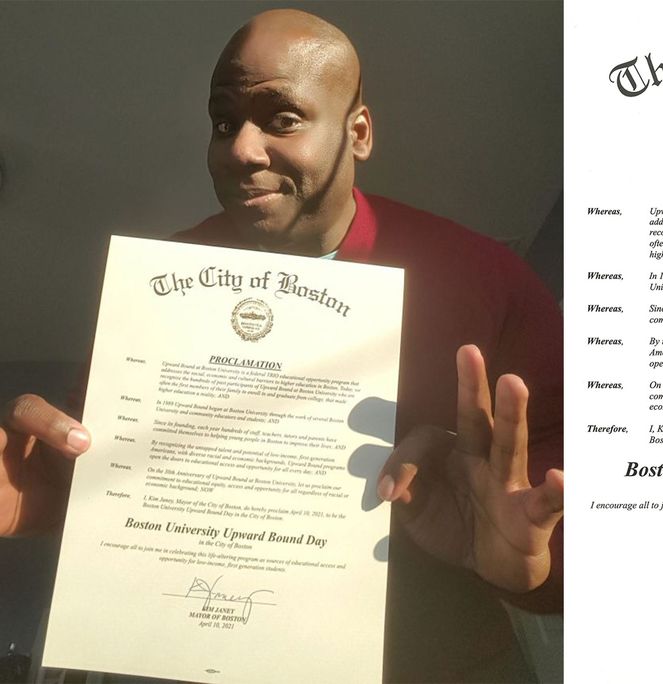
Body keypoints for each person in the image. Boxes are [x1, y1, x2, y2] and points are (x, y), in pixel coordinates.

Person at [0, 9, 563, 682]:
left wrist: (532, 567)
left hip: (428, 655)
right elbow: (106, 473)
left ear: (357, 133)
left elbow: (555, 514)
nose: (240, 149)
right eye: (222, 121)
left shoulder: (482, 281)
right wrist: (39, 491)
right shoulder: (159, 283)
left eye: (282, 118)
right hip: (183, 654)